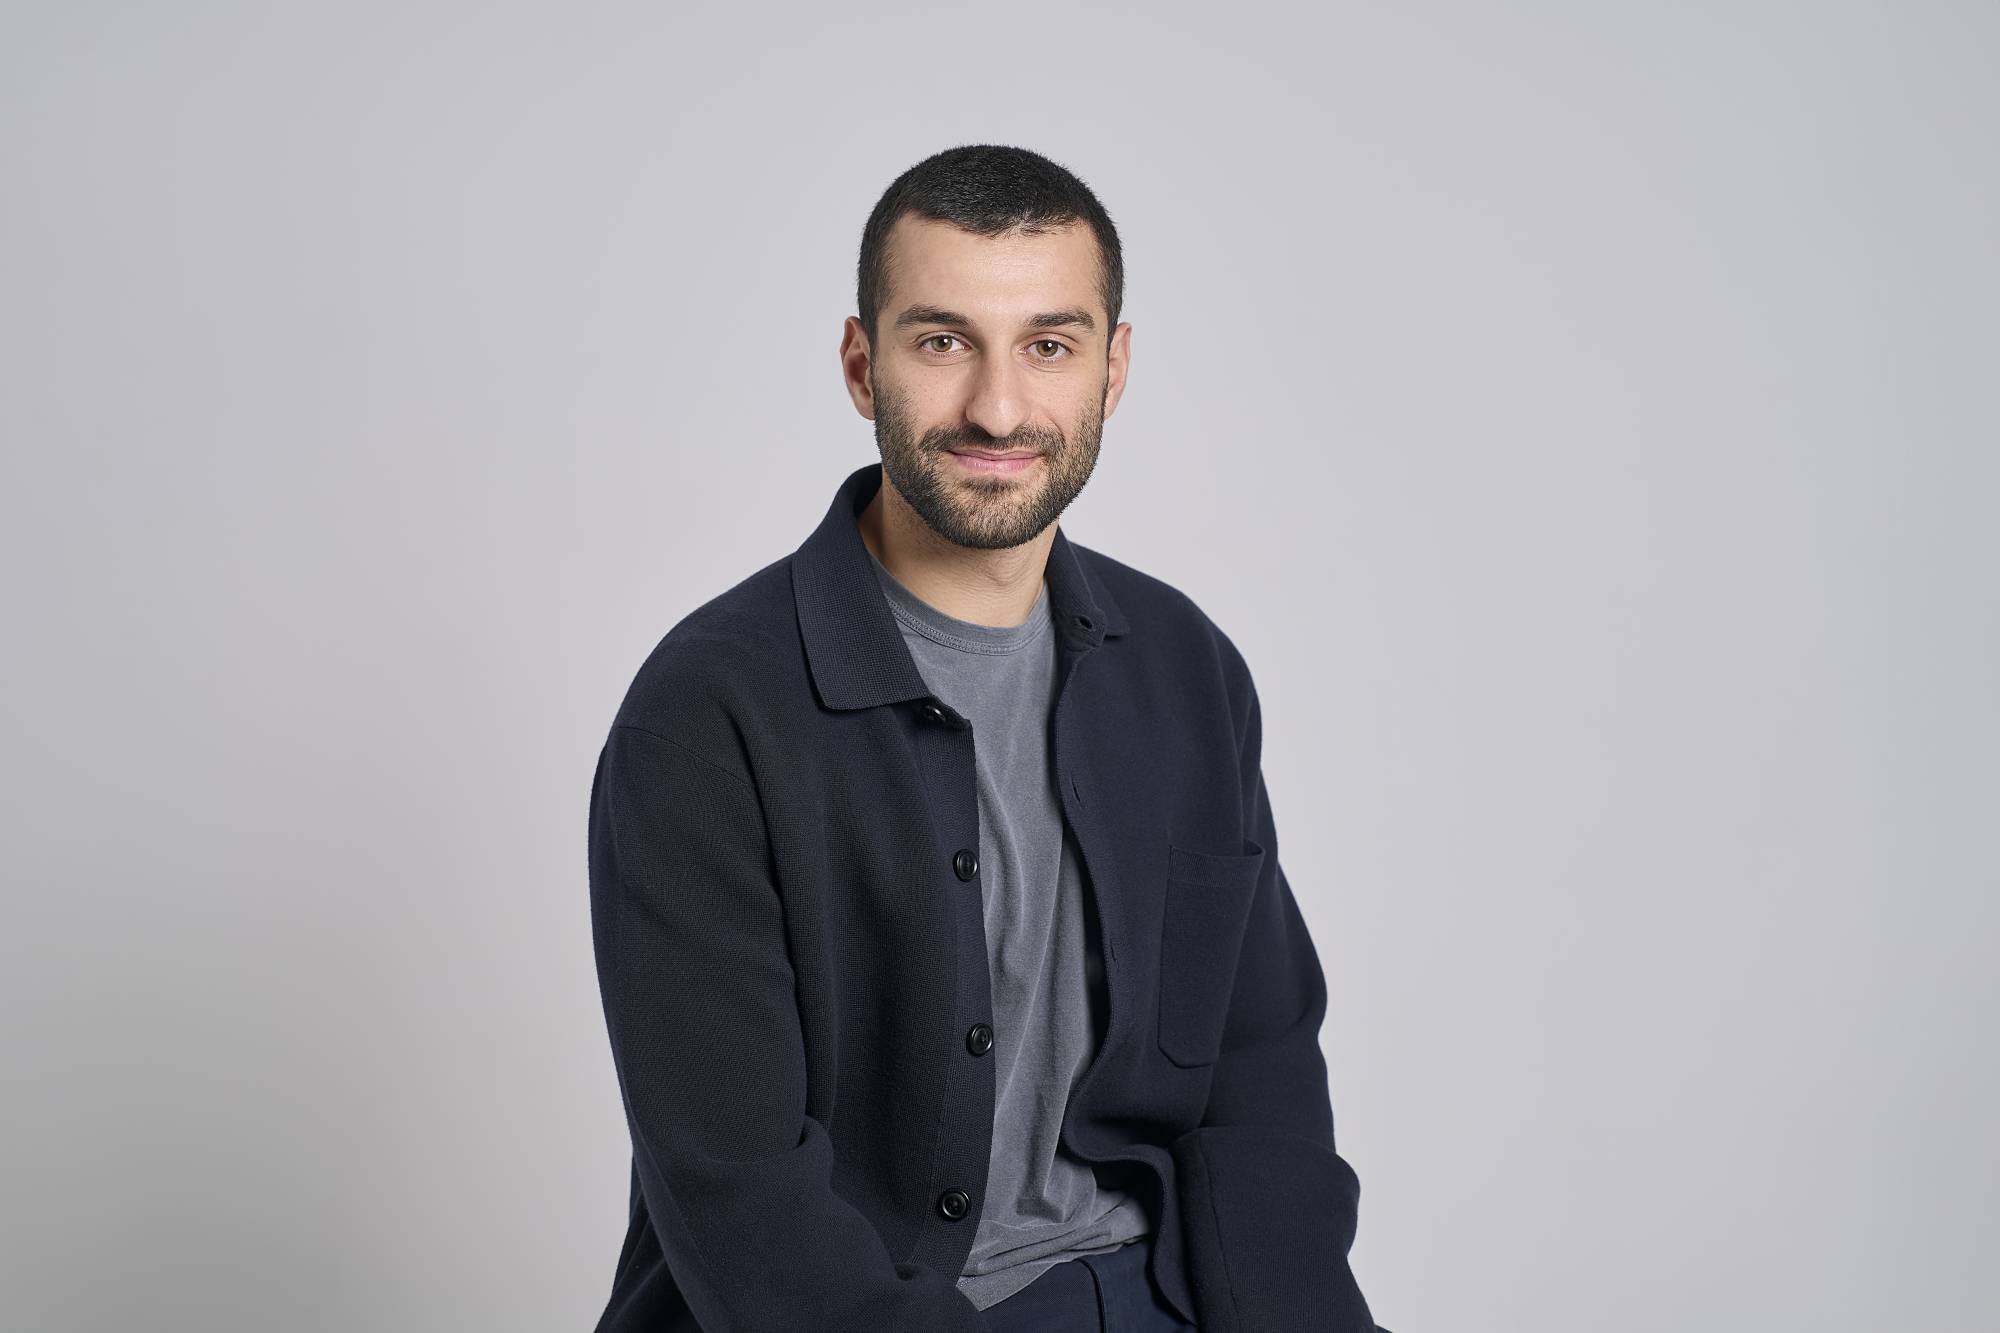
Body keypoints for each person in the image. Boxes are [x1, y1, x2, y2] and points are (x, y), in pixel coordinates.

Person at [587, 144, 1387, 1332]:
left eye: (1048, 346)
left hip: (1161, 1292)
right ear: (861, 365)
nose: (998, 408)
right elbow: (740, 1197)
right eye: (941, 341)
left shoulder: (1185, 667)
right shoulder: (707, 713)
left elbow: (1259, 1073)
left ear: (1113, 368)